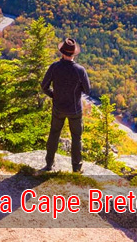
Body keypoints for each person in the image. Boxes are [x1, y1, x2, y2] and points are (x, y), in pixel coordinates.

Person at [40, 37, 91, 172]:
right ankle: (76, 168)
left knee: (54, 134)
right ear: (74, 53)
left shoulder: (54, 67)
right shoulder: (80, 70)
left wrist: (54, 95)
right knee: (76, 137)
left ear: (62, 52)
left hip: (58, 107)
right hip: (74, 109)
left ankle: (49, 164)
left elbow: (44, 86)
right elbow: (87, 90)